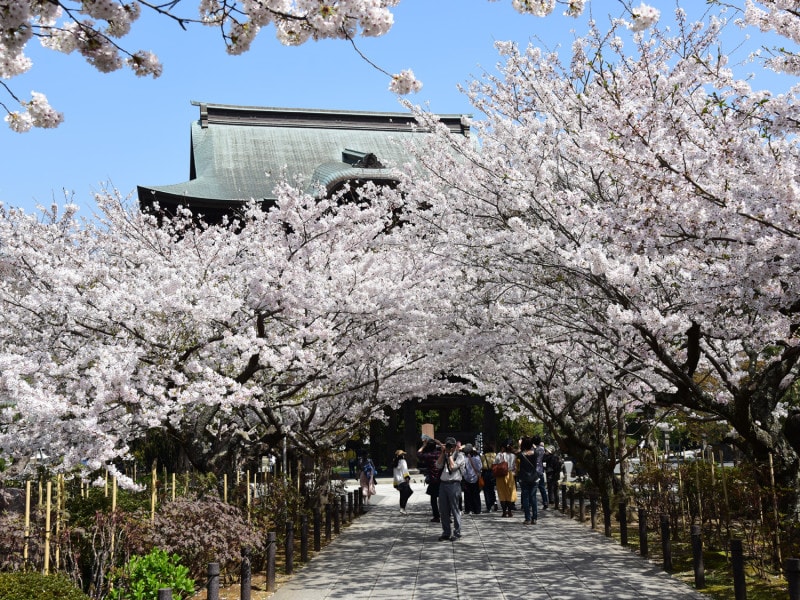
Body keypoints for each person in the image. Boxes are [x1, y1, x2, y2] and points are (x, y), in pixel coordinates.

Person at [436, 437, 466, 541]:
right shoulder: (444, 455)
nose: (449, 448)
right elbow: (438, 465)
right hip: (443, 484)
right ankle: (446, 532)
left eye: (451, 446)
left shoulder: (460, 456)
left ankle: (457, 533)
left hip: (454, 484)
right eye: (447, 445)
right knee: (443, 510)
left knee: (455, 509)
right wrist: (442, 453)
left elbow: (453, 467)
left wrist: (449, 456)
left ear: (454, 447)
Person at [417, 438, 442, 522]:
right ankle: (447, 516)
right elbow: (447, 451)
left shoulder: (428, 455)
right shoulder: (440, 454)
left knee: (433, 499)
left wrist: (423, 446)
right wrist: (440, 443)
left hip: (433, 479)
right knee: (444, 499)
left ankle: (436, 516)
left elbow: (418, 453)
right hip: (442, 478)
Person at [516, 436, 540, 525]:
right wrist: (531, 442)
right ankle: (535, 518)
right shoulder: (536, 453)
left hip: (524, 478)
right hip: (534, 478)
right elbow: (536, 448)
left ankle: (527, 518)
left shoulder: (521, 454)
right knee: (533, 498)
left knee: (525, 498)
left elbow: (518, 452)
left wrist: (520, 445)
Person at [494, 439, 517, 517]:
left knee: (502, 493)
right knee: (510, 493)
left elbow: (495, 464)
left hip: (500, 476)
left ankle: (504, 512)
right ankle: (510, 511)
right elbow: (515, 467)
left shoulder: (499, 455)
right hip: (510, 475)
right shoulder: (513, 456)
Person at [462, 443, 483, 514]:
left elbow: (463, 469)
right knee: (476, 494)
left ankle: (468, 509)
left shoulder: (464, 458)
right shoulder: (477, 457)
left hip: (467, 478)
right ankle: (477, 509)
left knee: (467, 494)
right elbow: (480, 467)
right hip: (475, 477)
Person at [392, 449, 413, 515]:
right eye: (403, 454)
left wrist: (395, 484)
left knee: (402, 495)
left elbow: (394, 474)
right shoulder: (403, 461)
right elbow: (405, 470)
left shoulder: (395, 462)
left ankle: (402, 508)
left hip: (398, 481)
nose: (404, 455)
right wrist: (407, 478)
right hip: (403, 480)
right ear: (402, 455)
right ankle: (402, 507)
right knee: (408, 492)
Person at [480, 444, 498, 512]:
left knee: (486, 490)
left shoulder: (483, 456)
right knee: (492, 489)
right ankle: (494, 502)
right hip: (493, 473)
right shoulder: (494, 455)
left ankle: (489, 506)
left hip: (486, 473)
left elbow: (481, 466)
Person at [532, 435, 548, 509]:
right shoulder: (542, 449)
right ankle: (545, 502)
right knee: (542, 487)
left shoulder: (532, 449)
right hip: (540, 469)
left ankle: (532, 503)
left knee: (533, 487)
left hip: (533, 469)